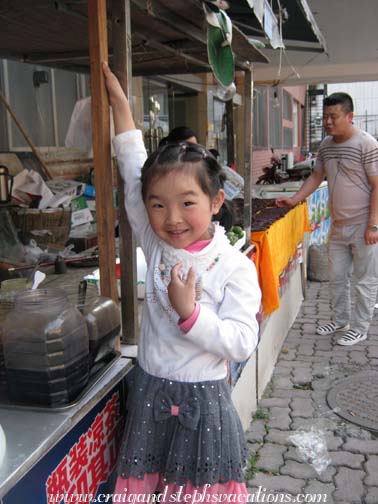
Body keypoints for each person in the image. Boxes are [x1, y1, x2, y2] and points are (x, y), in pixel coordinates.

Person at [102, 62, 261, 503]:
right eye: (158, 206)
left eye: (187, 202)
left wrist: (190, 314)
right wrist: (120, 104)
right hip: (151, 392)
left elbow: (243, 341)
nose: (171, 218)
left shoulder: (233, 266)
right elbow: (135, 173)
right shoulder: (156, 247)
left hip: (205, 404)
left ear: (215, 202)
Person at [276, 92, 378, 346]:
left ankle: (360, 327)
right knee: (337, 276)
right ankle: (341, 319)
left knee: (364, 280)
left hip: (364, 224)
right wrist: (295, 198)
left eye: (334, 117)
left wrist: (373, 225)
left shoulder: (367, 144)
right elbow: (316, 176)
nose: (328, 122)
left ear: (350, 116)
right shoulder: (326, 145)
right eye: (325, 117)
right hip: (338, 225)